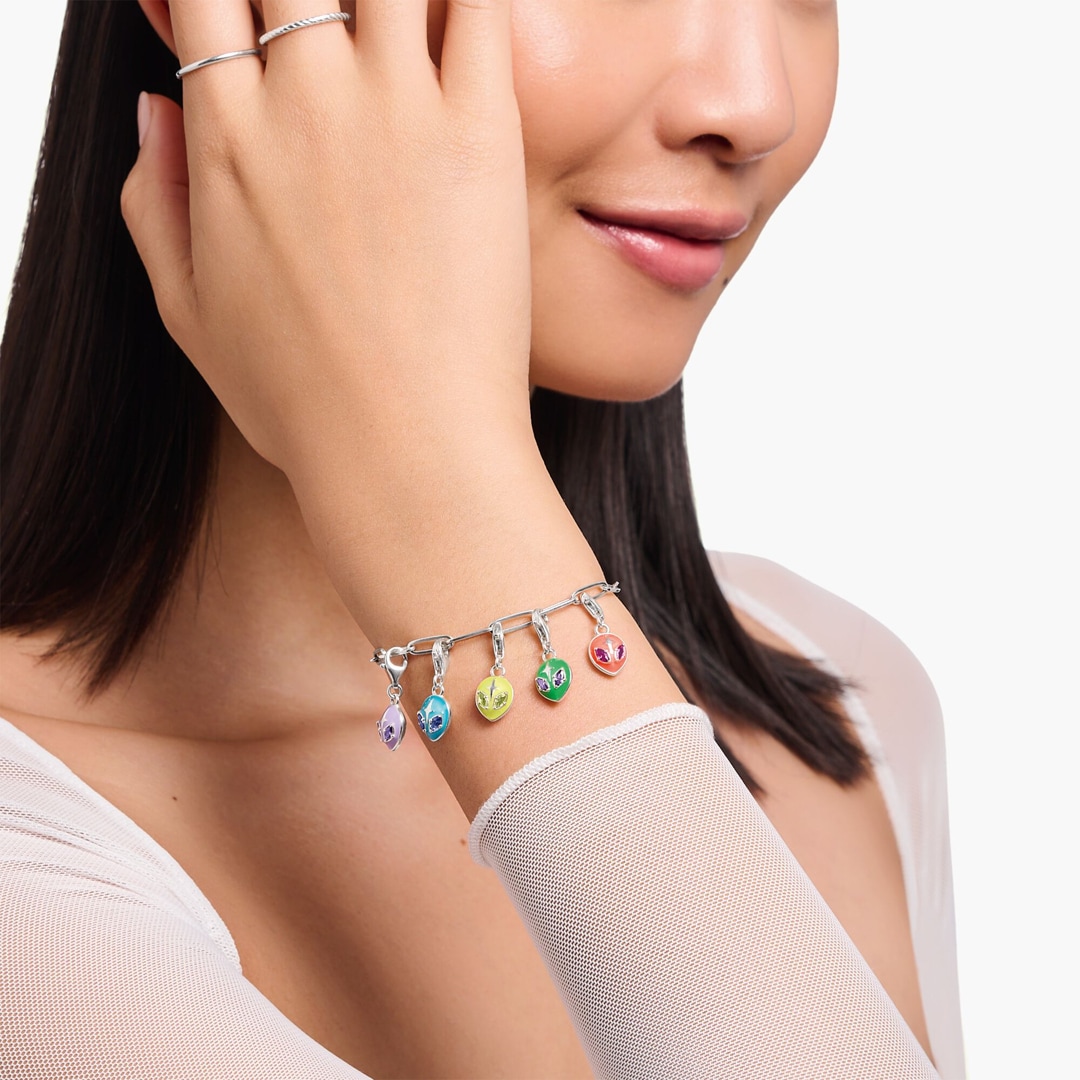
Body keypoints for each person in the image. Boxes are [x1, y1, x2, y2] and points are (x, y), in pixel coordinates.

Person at [0, 1, 965, 1077]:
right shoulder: (28, 882)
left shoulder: (845, 709)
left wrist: (433, 475)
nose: (755, 104)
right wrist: (427, 468)